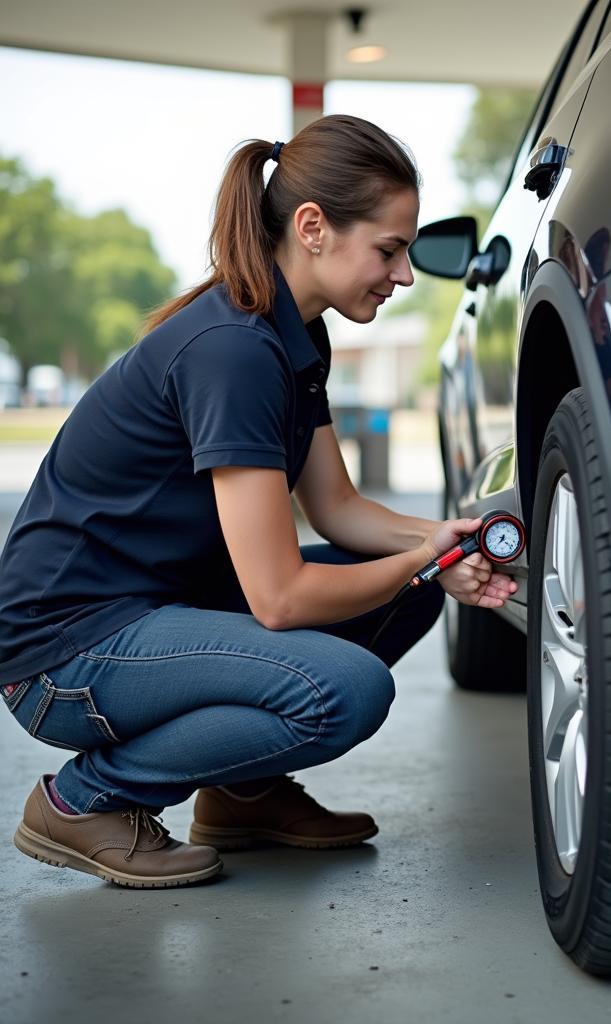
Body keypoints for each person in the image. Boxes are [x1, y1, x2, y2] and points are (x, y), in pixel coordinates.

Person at [0, 114, 517, 889]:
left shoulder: (293, 335)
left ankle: (242, 794)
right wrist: (422, 561)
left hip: (152, 613)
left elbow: (337, 507)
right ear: (313, 227)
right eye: (389, 248)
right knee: (349, 688)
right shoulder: (235, 351)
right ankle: (84, 802)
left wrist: (446, 542)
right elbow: (279, 598)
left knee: (404, 598)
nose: (405, 275)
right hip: (66, 651)